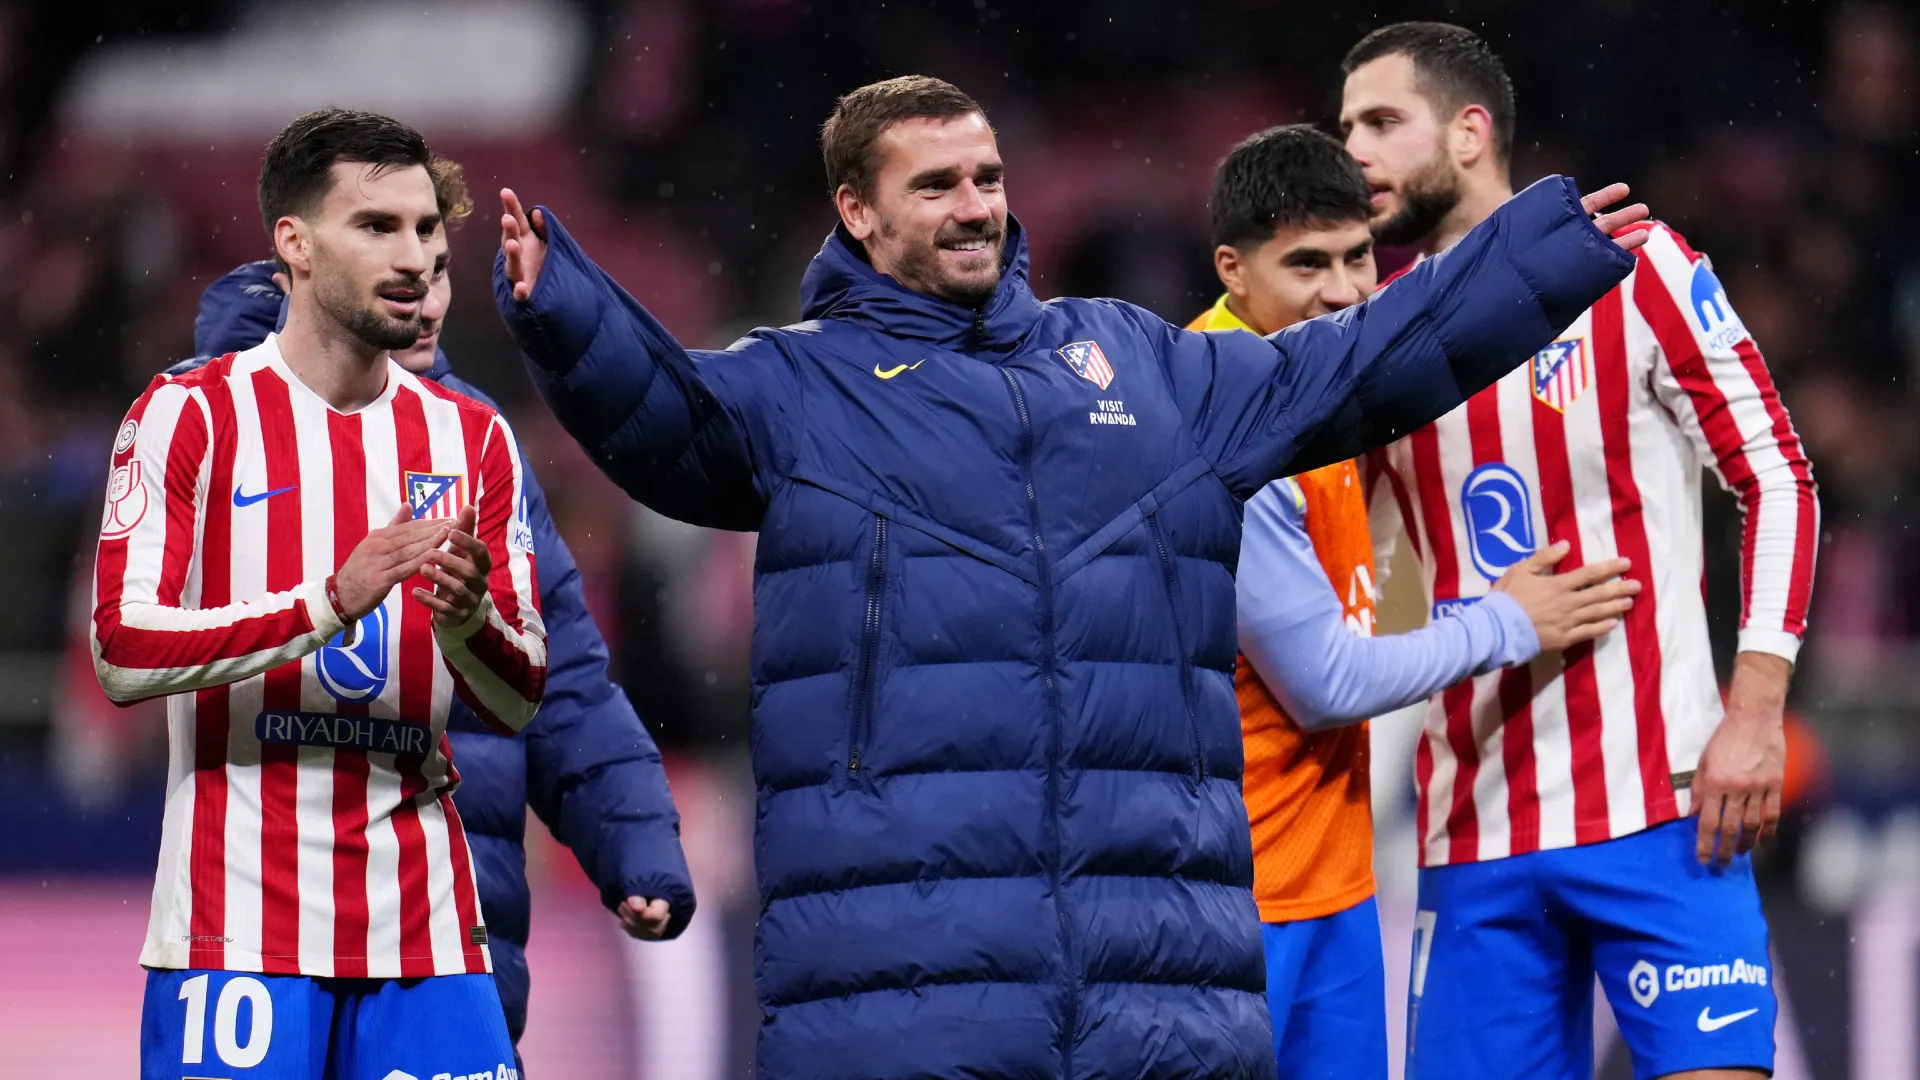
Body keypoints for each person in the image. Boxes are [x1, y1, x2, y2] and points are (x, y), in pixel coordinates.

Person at [492, 74, 1648, 1079]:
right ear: (857, 211)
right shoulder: (798, 390)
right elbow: (665, 420)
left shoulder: (1139, 365)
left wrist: (1536, 253)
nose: (974, 205)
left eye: (987, 177)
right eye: (935, 184)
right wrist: (567, 310)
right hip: (900, 989)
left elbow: (1362, 364)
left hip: (1153, 981)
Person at [1338, 23, 1819, 1080]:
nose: (1354, 152)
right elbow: (1344, 559)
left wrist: (1755, 709)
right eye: (1345, 129)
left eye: (1380, 122)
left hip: (1666, 804)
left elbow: (1776, 474)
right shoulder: (1371, 336)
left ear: (1469, 133)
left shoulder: (1634, 266)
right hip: (1472, 830)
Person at [176, 151, 696, 1054]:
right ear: (306, 270)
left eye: (439, 260)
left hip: (451, 943)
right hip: (265, 934)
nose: (423, 284)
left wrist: (637, 846)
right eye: (385, 248)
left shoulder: (476, 444)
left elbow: (562, 679)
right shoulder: (214, 430)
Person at [94, 108, 546, 1079]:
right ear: (294, 245)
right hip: (236, 933)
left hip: (428, 934)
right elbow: (122, 650)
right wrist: (328, 602)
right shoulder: (189, 414)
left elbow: (520, 697)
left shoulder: (473, 438)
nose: (413, 256)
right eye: (376, 226)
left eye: (425, 230)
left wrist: (469, 622)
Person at [1190, 124, 1641, 1079]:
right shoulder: (1220, 419)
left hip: (1330, 877)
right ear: (1233, 270)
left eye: (1358, 257)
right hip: (1235, 895)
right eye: (1307, 264)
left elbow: (1434, 324)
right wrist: (1508, 622)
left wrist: (1548, 244)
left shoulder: (1313, 392)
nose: (1344, 291)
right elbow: (1324, 683)